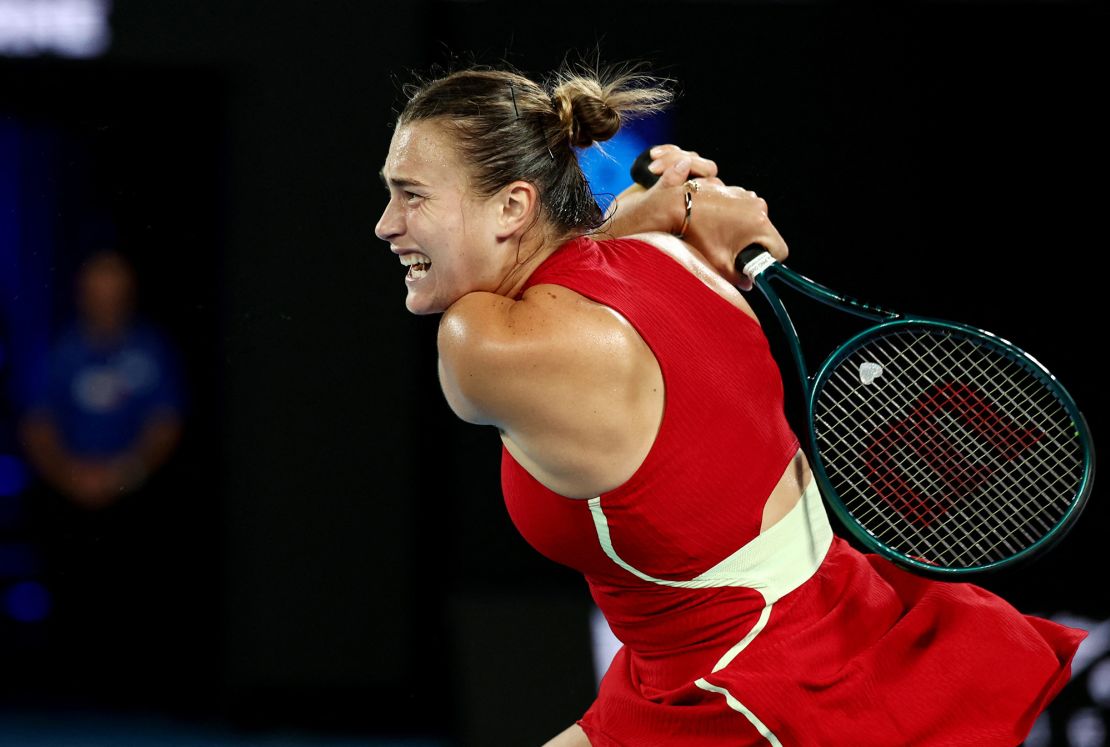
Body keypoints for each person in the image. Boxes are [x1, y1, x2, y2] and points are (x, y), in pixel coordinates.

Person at [374, 62, 1085, 746]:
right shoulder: (678, 250)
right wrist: (665, 212)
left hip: (752, 694)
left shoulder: (480, 343)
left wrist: (649, 213)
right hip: (827, 622)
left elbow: (559, 294)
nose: (385, 223)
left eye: (412, 195)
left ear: (512, 205)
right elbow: (589, 261)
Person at [17, 248, 186, 699]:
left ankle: (131, 688)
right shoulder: (60, 350)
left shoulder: (149, 350)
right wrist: (71, 475)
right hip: (66, 491)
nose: (105, 297)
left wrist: (122, 473)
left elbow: (165, 423)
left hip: (131, 491)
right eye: (96, 288)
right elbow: (37, 424)